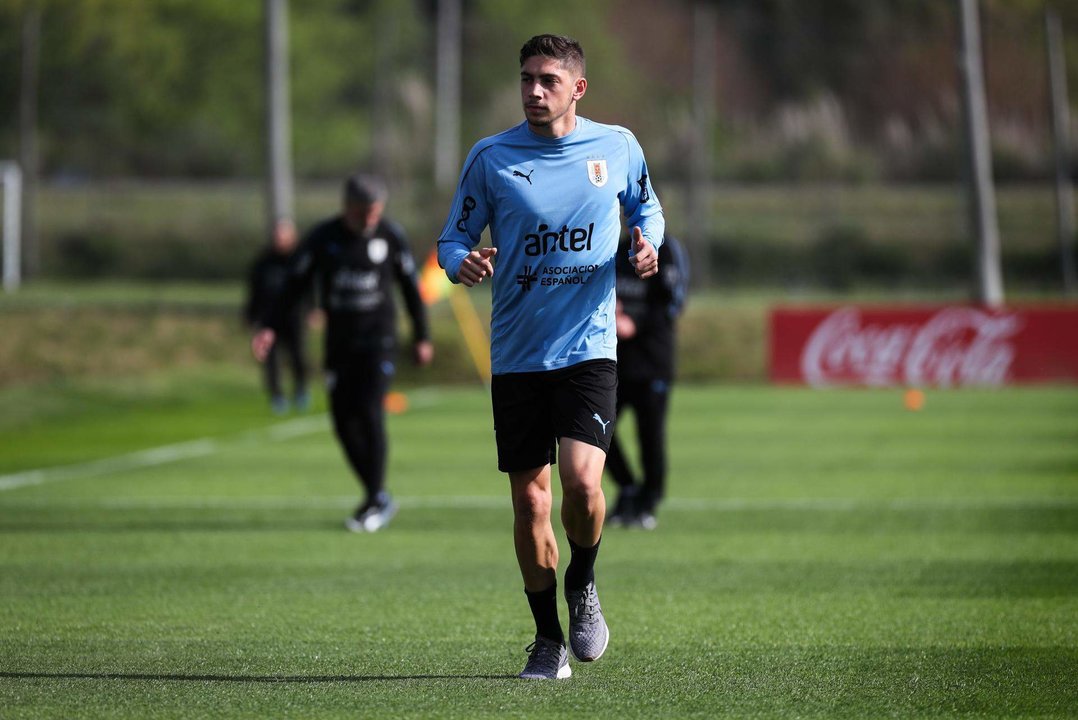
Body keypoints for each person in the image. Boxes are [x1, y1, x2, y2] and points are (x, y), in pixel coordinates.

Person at [437, 34, 664, 680]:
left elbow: (647, 207)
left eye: (548, 80)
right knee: (531, 505)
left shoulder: (616, 147)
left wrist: (649, 248)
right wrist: (462, 262)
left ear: (578, 88)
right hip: (516, 355)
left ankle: (584, 582)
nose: (535, 91)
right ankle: (547, 641)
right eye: (527, 79)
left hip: (589, 348)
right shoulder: (492, 158)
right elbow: (452, 237)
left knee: (584, 483)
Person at [252, 174, 433, 533]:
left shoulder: (390, 236)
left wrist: (421, 335)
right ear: (347, 207)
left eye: (375, 212)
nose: (370, 219)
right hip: (340, 344)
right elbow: (293, 285)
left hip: (378, 341)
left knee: (370, 413)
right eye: (364, 212)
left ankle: (375, 496)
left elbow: (410, 288)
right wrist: (270, 326)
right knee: (342, 423)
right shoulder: (324, 239)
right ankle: (376, 496)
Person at [605, 233, 689, 530]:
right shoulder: (615, 250)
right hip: (613, 362)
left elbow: (673, 302)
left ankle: (647, 502)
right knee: (595, 430)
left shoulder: (667, 251)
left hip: (653, 362)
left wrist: (634, 323)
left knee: (650, 436)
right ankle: (628, 487)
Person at [244, 218, 312, 414]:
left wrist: (313, 309)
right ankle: (277, 397)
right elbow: (254, 290)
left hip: (294, 317)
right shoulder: (263, 262)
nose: (279, 239)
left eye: (283, 235)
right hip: (268, 318)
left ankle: (300, 391)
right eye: (276, 235)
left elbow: (308, 287)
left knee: (298, 355)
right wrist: (251, 315)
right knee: (271, 360)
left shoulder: (300, 260)